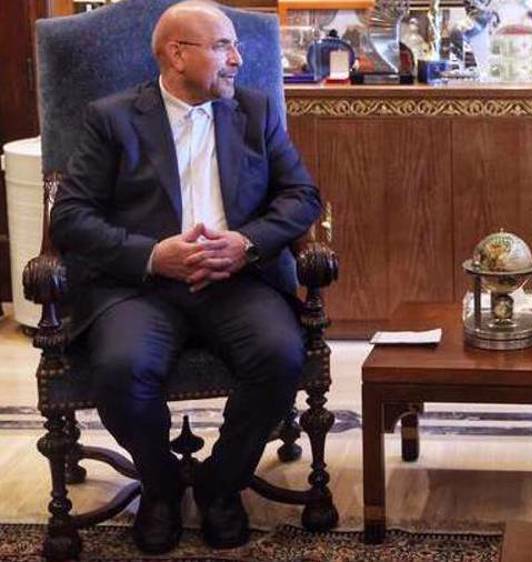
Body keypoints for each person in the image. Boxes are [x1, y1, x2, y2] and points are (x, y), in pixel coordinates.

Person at [50, 0, 320, 553]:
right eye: (224, 46)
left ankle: (221, 486)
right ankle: (162, 486)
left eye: (237, 47)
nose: (239, 59)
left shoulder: (255, 110)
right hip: (140, 287)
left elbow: (301, 196)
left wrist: (245, 245)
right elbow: (71, 217)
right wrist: (153, 255)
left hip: (236, 280)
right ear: (177, 53)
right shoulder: (112, 118)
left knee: (280, 357)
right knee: (122, 370)